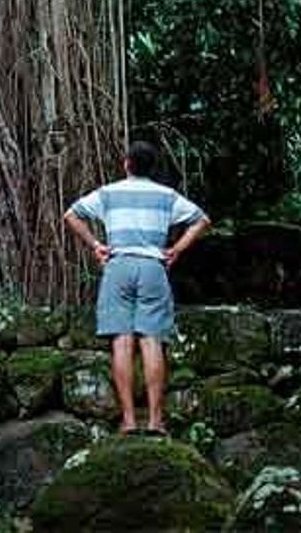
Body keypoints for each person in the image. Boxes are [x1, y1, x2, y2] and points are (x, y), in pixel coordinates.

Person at [63, 139, 211, 436]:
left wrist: (96, 246)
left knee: (122, 342)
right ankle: (156, 421)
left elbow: (71, 214)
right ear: (152, 168)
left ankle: (129, 420)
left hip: (118, 265)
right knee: (152, 341)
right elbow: (202, 220)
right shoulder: (166, 195)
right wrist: (177, 249)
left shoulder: (109, 193)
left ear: (127, 164)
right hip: (153, 268)